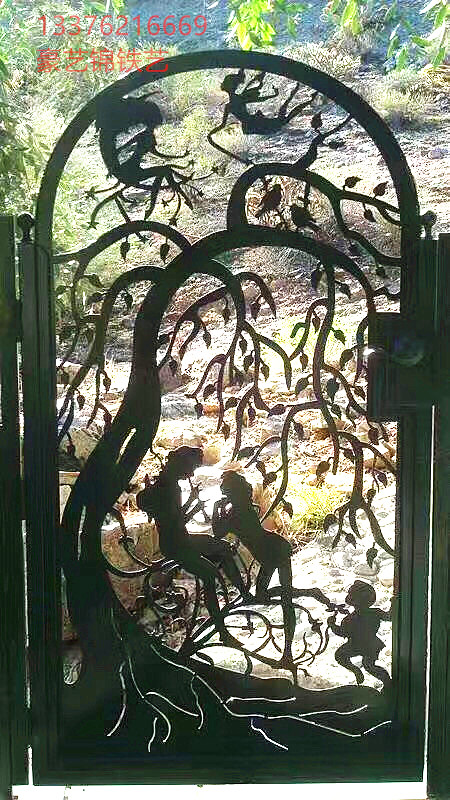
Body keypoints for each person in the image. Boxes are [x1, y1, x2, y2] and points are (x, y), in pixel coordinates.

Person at [136, 447, 247, 647]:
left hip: (181, 539)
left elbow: (176, 519)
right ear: (182, 465)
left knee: (223, 547)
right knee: (209, 573)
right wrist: (194, 504)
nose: (191, 474)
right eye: (191, 469)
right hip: (175, 545)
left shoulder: (168, 484)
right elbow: (177, 521)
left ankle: (245, 594)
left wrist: (192, 502)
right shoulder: (169, 488)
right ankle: (222, 631)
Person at [212, 470, 296, 668]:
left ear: (231, 493)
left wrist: (217, 509)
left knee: (285, 600)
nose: (224, 495)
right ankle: (287, 654)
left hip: (274, 551)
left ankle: (288, 654)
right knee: (271, 596)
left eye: (226, 492)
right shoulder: (244, 508)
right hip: (272, 549)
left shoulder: (236, 513)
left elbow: (218, 532)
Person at [327, 580, 392, 687]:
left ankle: (384, 681)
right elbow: (389, 616)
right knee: (368, 665)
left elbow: (342, 632)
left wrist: (332, 624)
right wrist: (394, 602)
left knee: (343, 657)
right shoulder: (375, 613)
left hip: (360, 645)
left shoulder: (350, 619)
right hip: (367, 644)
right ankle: (385, 682)